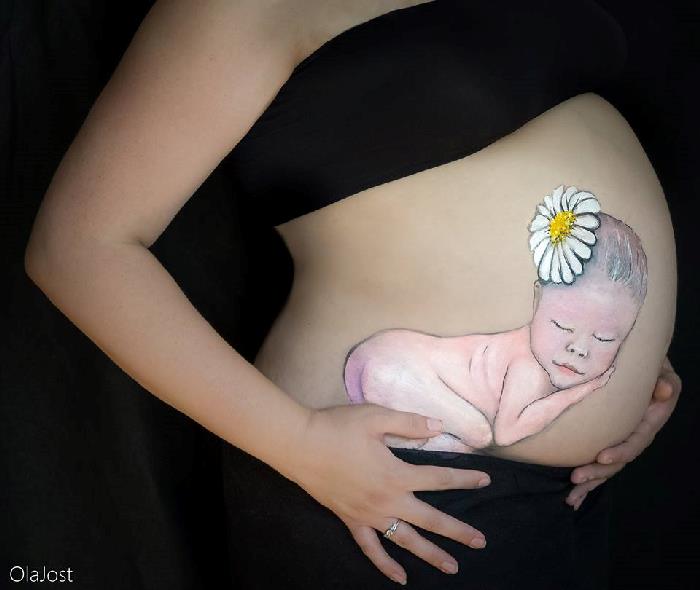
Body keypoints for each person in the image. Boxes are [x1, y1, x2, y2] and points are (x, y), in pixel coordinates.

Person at [23, 0, 682, 588]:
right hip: (388, 484)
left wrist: (624, 354)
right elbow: (79, 247)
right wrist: (301, 443)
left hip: (574, 494)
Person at [344, 206, 645, 452]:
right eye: (562, 325)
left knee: (458, 448)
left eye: (605, 338)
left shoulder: (541, 356)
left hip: (389, 367)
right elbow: (507, 433)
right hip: (394, 369)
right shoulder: (529, 367)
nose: (578, 348)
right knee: (478, 434)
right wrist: (580, 392)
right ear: (537, 300)